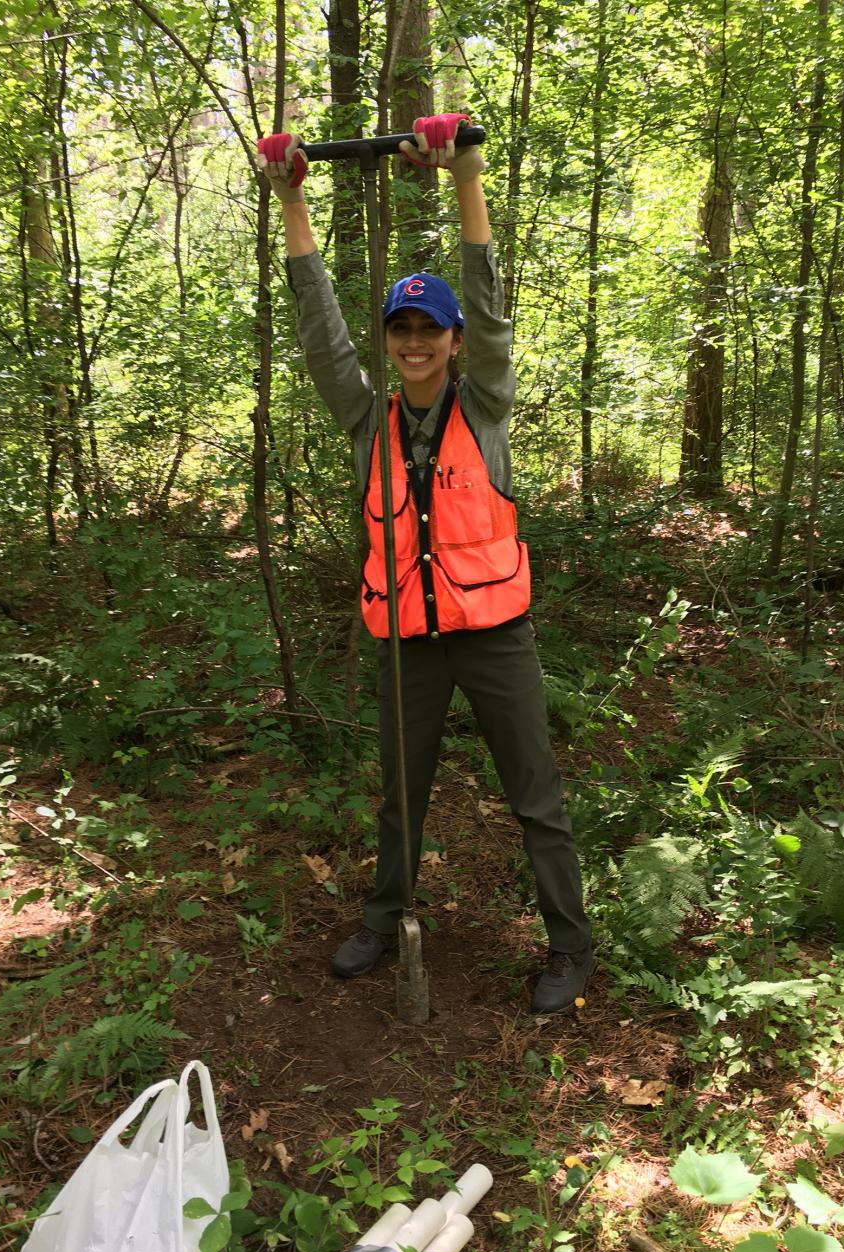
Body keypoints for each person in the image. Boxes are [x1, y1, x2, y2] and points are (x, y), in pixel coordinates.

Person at [256, 114, 594, 1013]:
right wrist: (291, 200)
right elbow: (321, 330)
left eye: (427, 330)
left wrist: (466, 176)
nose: (413, 342)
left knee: (535, 800)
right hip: (408, 640)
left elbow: (490, 309)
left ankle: (569, 945)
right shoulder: (367, 419)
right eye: (399, 329)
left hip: (494, 637)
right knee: (400, 798)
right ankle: (385, 912)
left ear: (448, 342)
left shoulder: (482, 406)